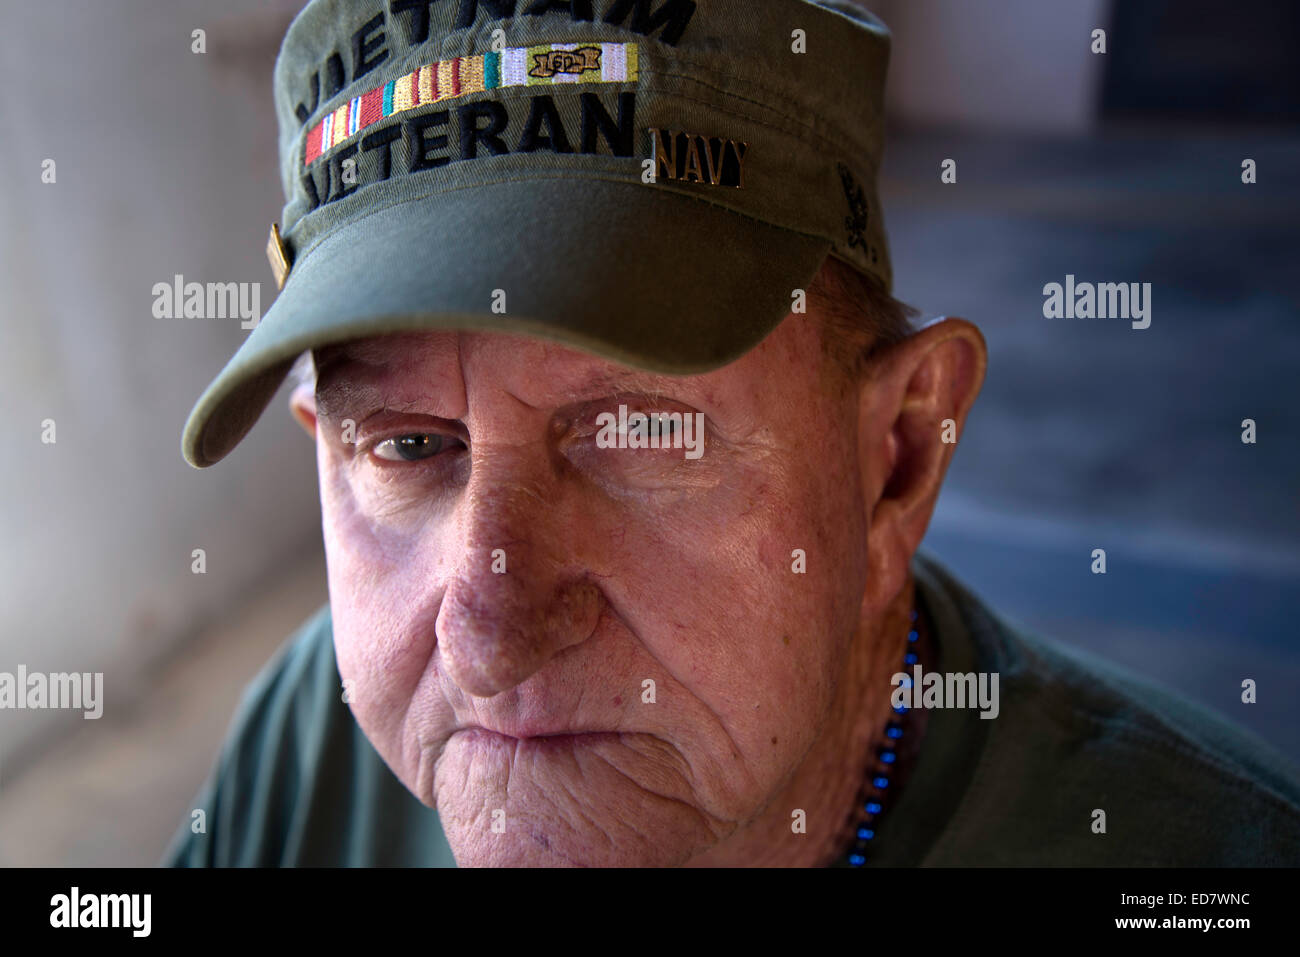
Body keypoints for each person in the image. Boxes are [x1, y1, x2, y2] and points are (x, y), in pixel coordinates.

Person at [166, 0, 1300, 866]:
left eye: (643, 435)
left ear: (894, 460)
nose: (488, 635)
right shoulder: (312, 738)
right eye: (411, 447)